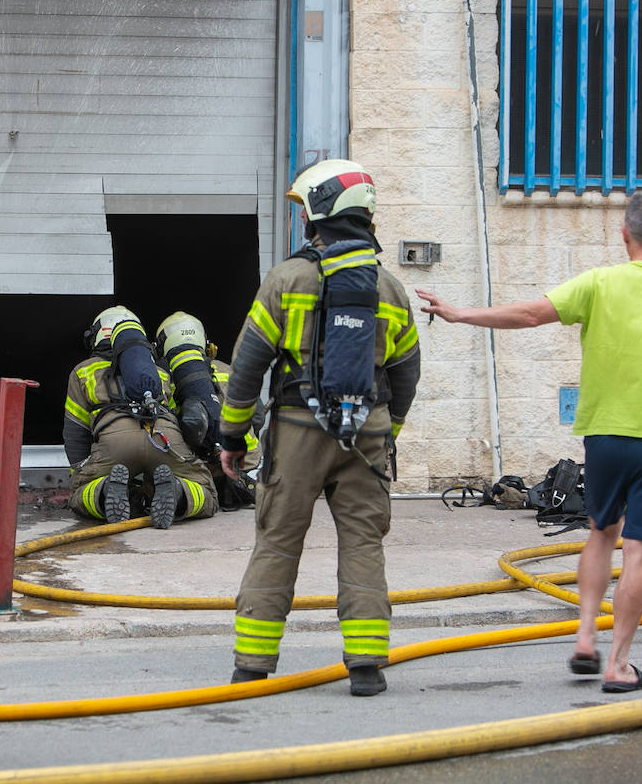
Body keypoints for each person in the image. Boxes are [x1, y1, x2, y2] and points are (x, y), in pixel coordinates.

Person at [415, 190, 642, 694]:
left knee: (600, 533)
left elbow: (528, 315)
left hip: (604, 438)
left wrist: (460, 314)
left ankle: (586, 637)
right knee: (638, 553)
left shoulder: (599, 283)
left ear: (624, 234)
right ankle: (618, 665)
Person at [219, 159, 421, 696]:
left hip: (296, 433)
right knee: (363, 545)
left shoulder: (286, 280)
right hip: (366, 437)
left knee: (278, 542)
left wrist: (233, 437)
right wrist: (388, 431)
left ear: (318, 213)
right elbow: (406, 374)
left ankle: (251, 666)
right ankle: (366, 666)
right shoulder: (391, 289)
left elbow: (247, 368)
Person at [64, 305, 219, 529]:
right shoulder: (160, 371)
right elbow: (178, 418)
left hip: (115, 441)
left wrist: (81, 472)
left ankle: (105, 490)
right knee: (206, 492)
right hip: (163, 438)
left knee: (81, 491)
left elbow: (75, 431)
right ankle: (178, 491)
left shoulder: (83, 370)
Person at [153, 310, 260, 511]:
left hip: (196, 465)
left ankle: (180, 493)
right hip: (243, 461)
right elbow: (258, 414)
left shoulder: (160, 375)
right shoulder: (226, 369)